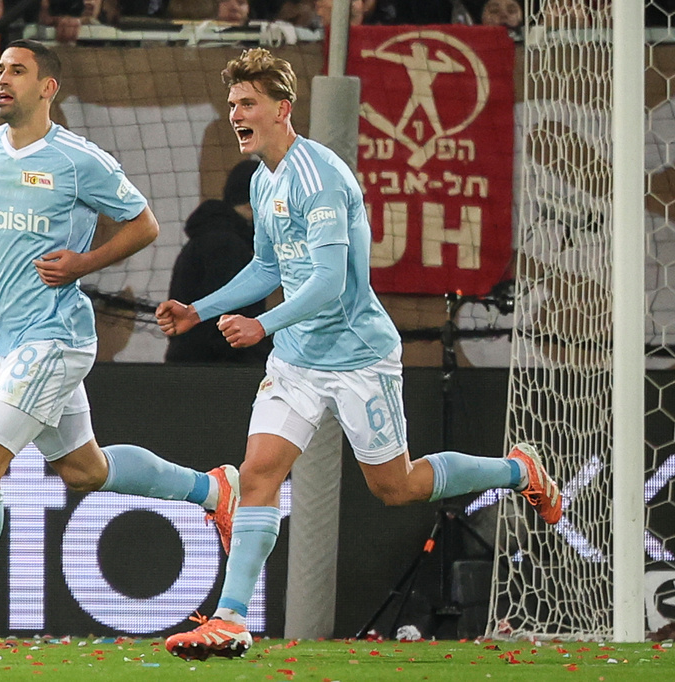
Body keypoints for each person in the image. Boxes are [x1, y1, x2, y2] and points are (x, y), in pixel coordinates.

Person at [156, 47, 563, 660]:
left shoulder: (321, 177)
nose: (236, 113)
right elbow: (268, 264)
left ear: (282, 109)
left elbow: (328, 285)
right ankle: (232, 618)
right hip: (296, 358)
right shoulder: (265, 180)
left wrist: (263, 324)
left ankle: (518, 471)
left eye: (248, 103)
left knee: (394, 486)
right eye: (232, 103)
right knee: (259, 473)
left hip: (356, 358)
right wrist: (198, 309)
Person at [0, 39, 240, 652]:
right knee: (83, 470)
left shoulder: (78, 159)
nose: (2, 80)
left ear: (48, 88)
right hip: (16, 342)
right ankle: (214, 489)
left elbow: (145, 224)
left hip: (56, 338)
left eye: (16, 71)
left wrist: (84, 263)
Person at [165, 159, 269, 364]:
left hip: (196, 367)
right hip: (215, 374)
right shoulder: (226, 246)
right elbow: (225, 318)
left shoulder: (212, 238)